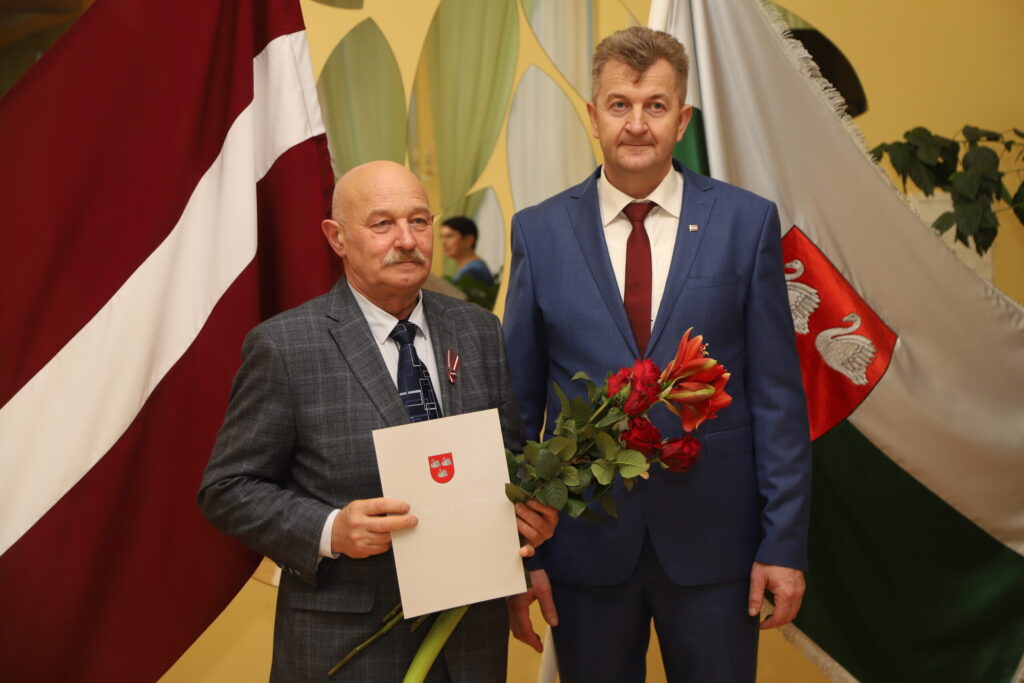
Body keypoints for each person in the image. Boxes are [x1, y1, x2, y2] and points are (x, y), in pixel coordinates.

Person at [502, 27, 812, 682]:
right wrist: (521, 554)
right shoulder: (538, 231)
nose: (637, 124)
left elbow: (778, 400)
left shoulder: (746, 223)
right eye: (620, 105)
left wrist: (783, 543)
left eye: (655, 105)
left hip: (716, 550)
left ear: (683, 119)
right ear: (594, 117)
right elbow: (518, 409)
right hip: (582, 548)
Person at [199, 160, 557, 682]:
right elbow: (227, 489)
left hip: (470, 638)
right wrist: (331, 529)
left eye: (419, 221)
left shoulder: (479, 330)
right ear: (337, 237)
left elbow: (509, 460)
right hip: (348, 642)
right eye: (382, 223)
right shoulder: (285, 346)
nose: (406, 240)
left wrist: (529, 516)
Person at [440, 216, 494, 286]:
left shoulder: (473, 271)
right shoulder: (472, 268)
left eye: (449, 236)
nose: (443, 242)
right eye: (441, 237)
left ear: (469, 240)